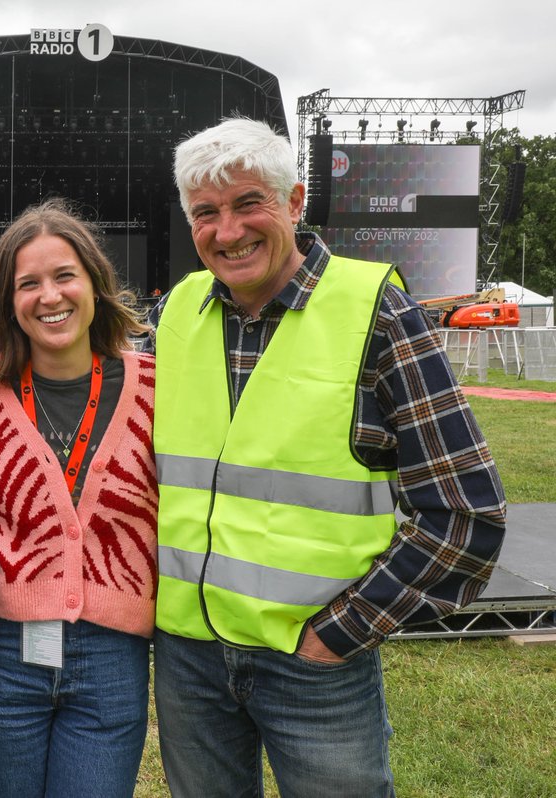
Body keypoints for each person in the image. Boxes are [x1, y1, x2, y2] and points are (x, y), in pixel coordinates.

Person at [149, 117, 507, 796]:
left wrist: (340, 633)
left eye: (248, 203)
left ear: (294, 202)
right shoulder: (176, 314)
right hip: (189, 657)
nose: (228, 231)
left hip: (315, 664)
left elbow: (464, 515)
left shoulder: (376, 314)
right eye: (206, 213)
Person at [0, 199, 158, 797]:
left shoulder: (155, 387)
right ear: (7, 299)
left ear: (94, 282)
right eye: (28, 283)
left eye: (65, 275)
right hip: (5, 653)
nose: (50, 296)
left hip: (112, 656)